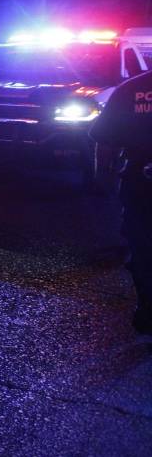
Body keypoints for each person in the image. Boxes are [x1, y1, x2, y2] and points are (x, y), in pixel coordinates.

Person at [90, 68, 152, 334]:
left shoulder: (132, 89)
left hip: (141, 182)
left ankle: (148, 311)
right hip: (142, 182)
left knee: (144, 249)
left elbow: (105, 140)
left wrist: (103, 177)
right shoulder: (129, 89)